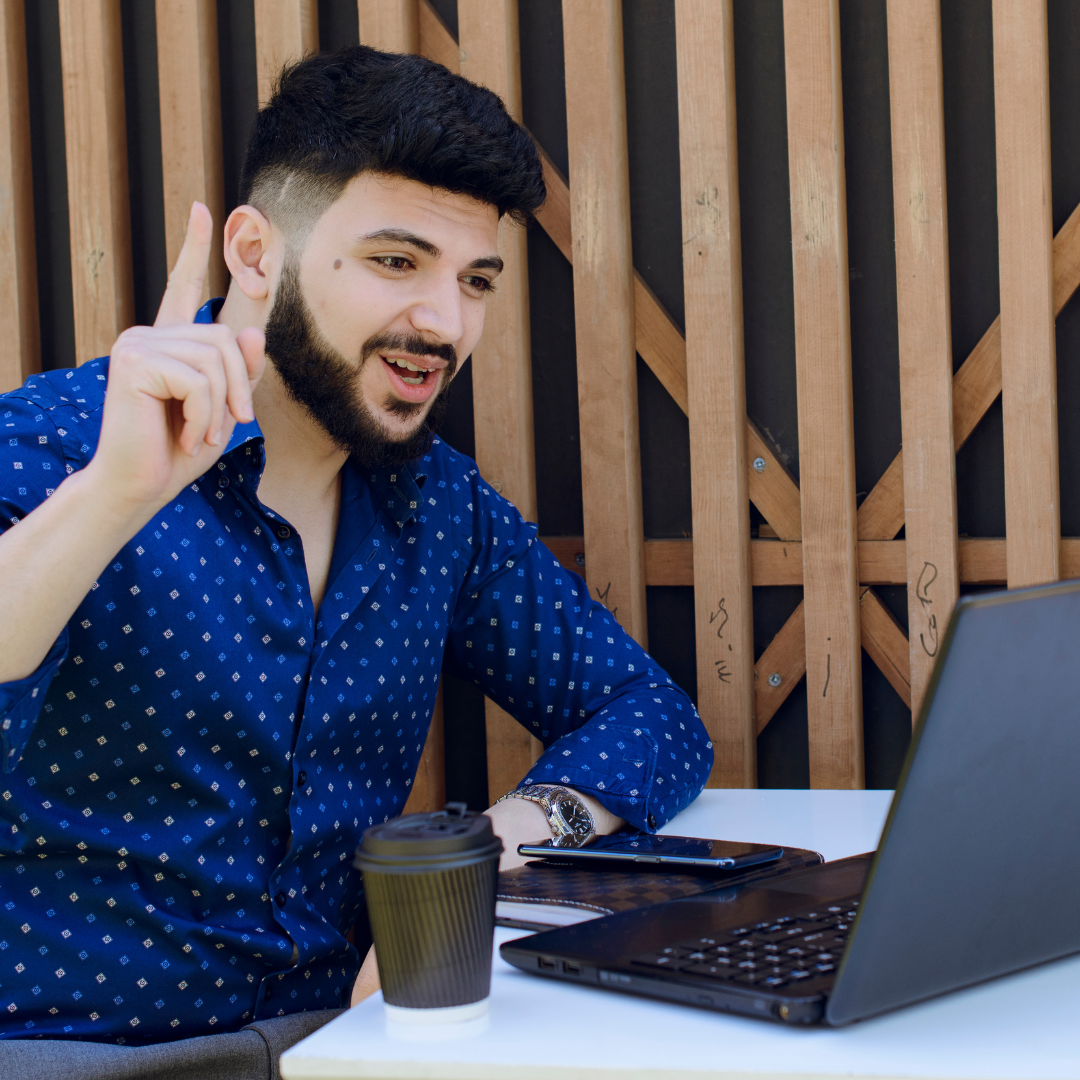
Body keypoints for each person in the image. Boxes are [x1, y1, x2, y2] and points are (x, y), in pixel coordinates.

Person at [0, 45, 712, 1075]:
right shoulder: (61, 442)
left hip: (352, 1044)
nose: (444, 323)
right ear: (254, 254)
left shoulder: (435, 501)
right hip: (64, 1049)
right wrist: (115, 495)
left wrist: (482, 861)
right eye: (395, 261)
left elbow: (646, 717)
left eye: (474, 281)